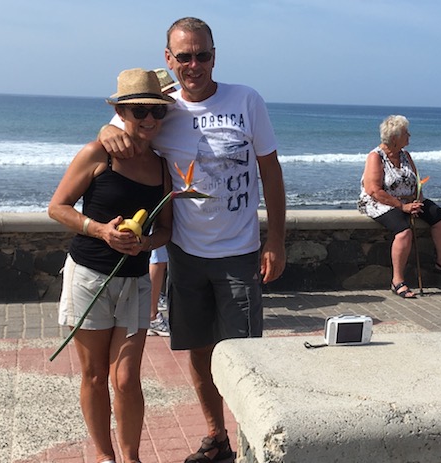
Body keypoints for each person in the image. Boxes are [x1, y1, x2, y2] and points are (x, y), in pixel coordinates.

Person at [98, 17, 286, 463]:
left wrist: (275, 238)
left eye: (202, 55)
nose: (194, 64)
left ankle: (251, 444)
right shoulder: (159, 108)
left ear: (214, 56)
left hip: (239, 253)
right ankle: (217, 437)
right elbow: (116, 128)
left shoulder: (246, 99)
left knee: (243, 358)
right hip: (184, 254)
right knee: (199, 351)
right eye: (184, 56)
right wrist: (105, 131)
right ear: (169, 59)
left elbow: (271, 171)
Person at [49, 68, 173, 463]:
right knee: (95, 375)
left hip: (134, 282)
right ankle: (105, 457)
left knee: (126, 377)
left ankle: (131, 457)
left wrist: (145, 242)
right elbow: (57, 207)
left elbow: (165, 230)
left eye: (157, 112)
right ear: (122, 111)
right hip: (89, 276)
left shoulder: (163, 166)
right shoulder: (96, 153)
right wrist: (101, 231)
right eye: (139, 111)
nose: (149, 120)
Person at [358, 115, 441, 298]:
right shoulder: (376, 157)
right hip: (381, 202)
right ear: (395, 137)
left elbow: (415, 180)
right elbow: (373, 190)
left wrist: (418, 199)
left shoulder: (405, 155)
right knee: (404, 231)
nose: (410, 136)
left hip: (408, 200)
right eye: (406, 133)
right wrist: (402, 207)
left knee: (439, 215)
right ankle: (397, 280)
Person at [146, 68, 178, 337]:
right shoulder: (152, 117)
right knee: (158, 257)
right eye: (168, 91)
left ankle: (154, 305)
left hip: (163, 192)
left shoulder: (163, 116)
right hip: (154, 195)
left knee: (160, 256)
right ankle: (152, 314)